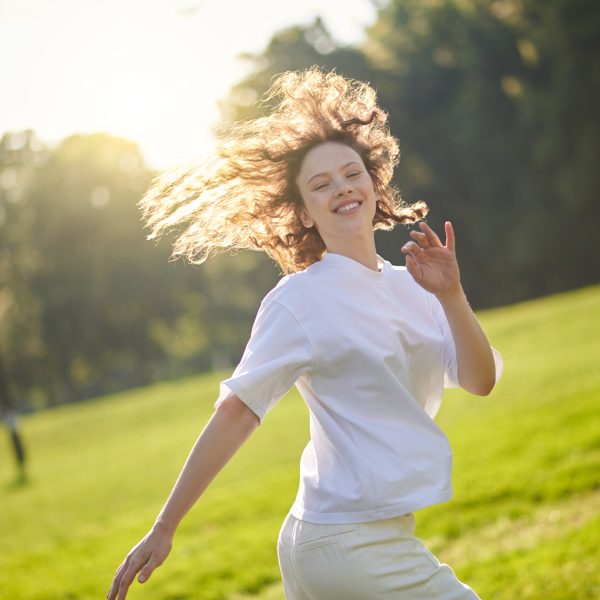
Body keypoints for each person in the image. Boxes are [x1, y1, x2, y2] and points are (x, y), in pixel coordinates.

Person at [107, 67, 503, 600]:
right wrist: (164, 525)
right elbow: (238, 411)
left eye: (351, 173)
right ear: (305, 211)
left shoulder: (415, 285)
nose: (341, 189)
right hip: (345, 542)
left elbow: (479, 381)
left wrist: (452, 295)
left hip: (351, 538)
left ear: (374, 181)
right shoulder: (299, 301)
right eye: (321, 184)